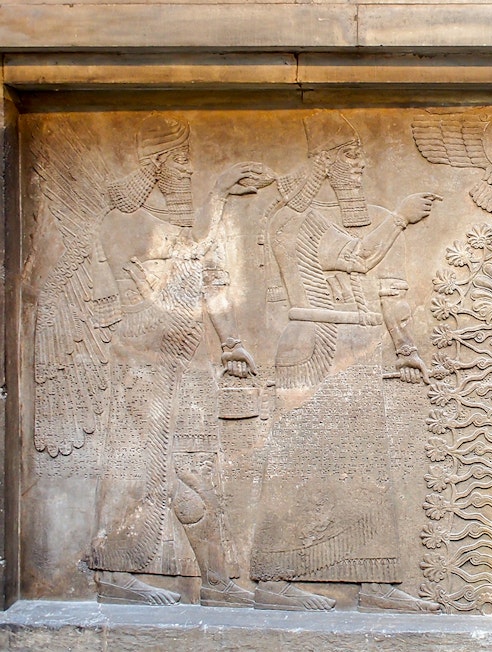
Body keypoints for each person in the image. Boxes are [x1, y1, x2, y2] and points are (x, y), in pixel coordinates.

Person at [250, 112, 441, 612]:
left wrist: (403, 343)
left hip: (349, 342)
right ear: (323, 163)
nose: (358, 164)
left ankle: (372, 583)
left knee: (365, 464)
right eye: (347, 156)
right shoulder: (297, 220)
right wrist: (399, 217)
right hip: (316, 340)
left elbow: (376, 286)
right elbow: (358, 258)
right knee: (297, 462)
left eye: (360, 155)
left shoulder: (312, 217)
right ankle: (274, 580)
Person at [89, 114, 264, 606]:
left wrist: (230, 343)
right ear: (159, 163)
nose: (187, 172)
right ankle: (115, 573)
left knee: (195, 468)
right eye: (181, 161)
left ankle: (215, 582)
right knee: (141, 468)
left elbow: (206, 280)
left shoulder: (169, 229)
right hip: (144, 362)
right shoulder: (126, 222)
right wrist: (220, 194)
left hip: (184, 363)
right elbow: (182, 272)